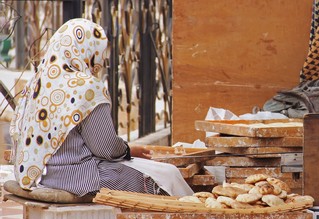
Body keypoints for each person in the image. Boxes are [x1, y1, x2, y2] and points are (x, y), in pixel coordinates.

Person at [9, 18, 193, 197]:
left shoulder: (35, 84)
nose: (101, 60)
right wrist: (128, 150)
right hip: (77, 178)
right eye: (99, 52)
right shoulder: (86, 87)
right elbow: (105, 149)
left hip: (38, 176)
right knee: (168, 176)